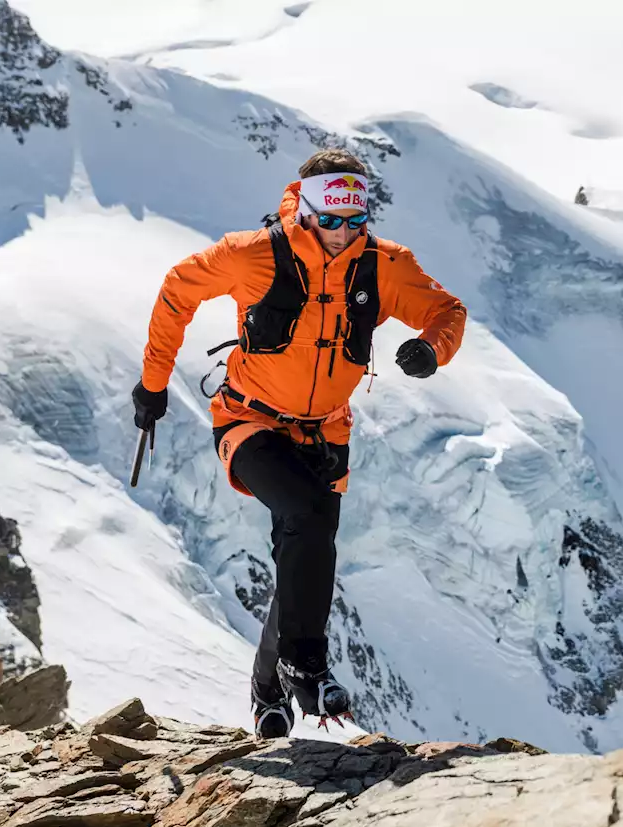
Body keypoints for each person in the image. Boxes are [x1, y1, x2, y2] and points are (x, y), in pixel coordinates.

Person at [130, 149, 467, 738]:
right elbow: (178, 289)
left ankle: (267, 693)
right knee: (306, 518)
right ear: (305, 209)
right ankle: (306, 667)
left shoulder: (384, 266)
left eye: (354, 220)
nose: (342, 233)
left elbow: (447, 310)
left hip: (326, 432)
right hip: (247, 421)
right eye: (330, 219)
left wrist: (432, 348)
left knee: (306, 554)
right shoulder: (251, 254)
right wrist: (153, 384)